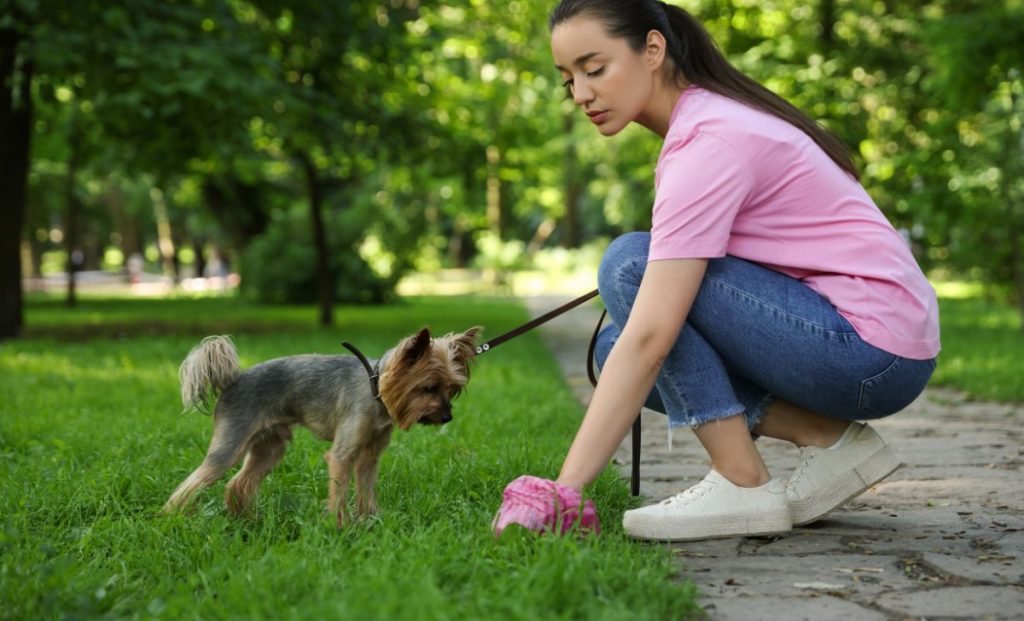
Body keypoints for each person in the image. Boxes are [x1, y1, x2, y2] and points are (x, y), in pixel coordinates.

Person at [492, 0, 939, 541]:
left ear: (652, 49)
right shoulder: (709, 120)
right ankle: (828, 441)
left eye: (594, 69)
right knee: (614, 352)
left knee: (630, 264)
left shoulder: (709, 139)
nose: (581, 94)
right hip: (873, 346)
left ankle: (741, 482)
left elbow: (655, 331)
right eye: (568, 81)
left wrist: (566, 488)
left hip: (869, 349)